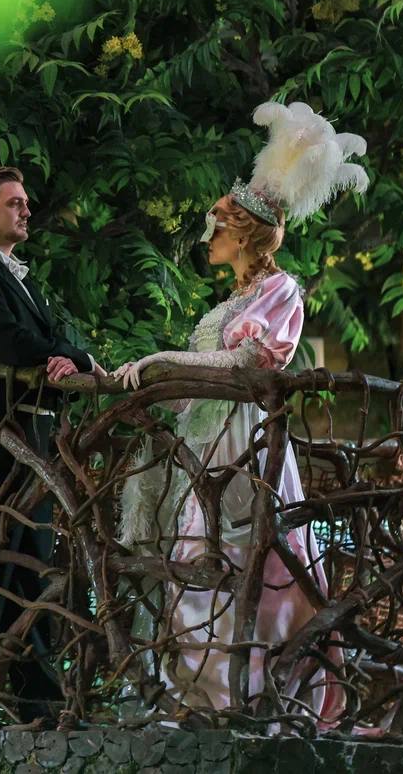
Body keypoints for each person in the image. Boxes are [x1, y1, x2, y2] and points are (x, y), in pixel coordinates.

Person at [113, 101, 368, 726]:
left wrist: (163, 360)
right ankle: (202, 693)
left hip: (242, 438)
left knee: (249, 549)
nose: (210, 240)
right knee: (197, 552)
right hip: (205, 436)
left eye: (219, 229)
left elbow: (248, 362)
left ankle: (254, 691)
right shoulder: (230, 300)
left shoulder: (280, 290)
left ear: (245, 235)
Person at [0, 165, 103, 723]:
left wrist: (66, 358)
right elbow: (11, 342)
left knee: (30, 564)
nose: (27, 210)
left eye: (26, 202)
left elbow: (49, 340)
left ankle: (38, 703)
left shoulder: (19, 277)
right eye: (15, 202)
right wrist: (70, 357)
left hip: (30, 437)